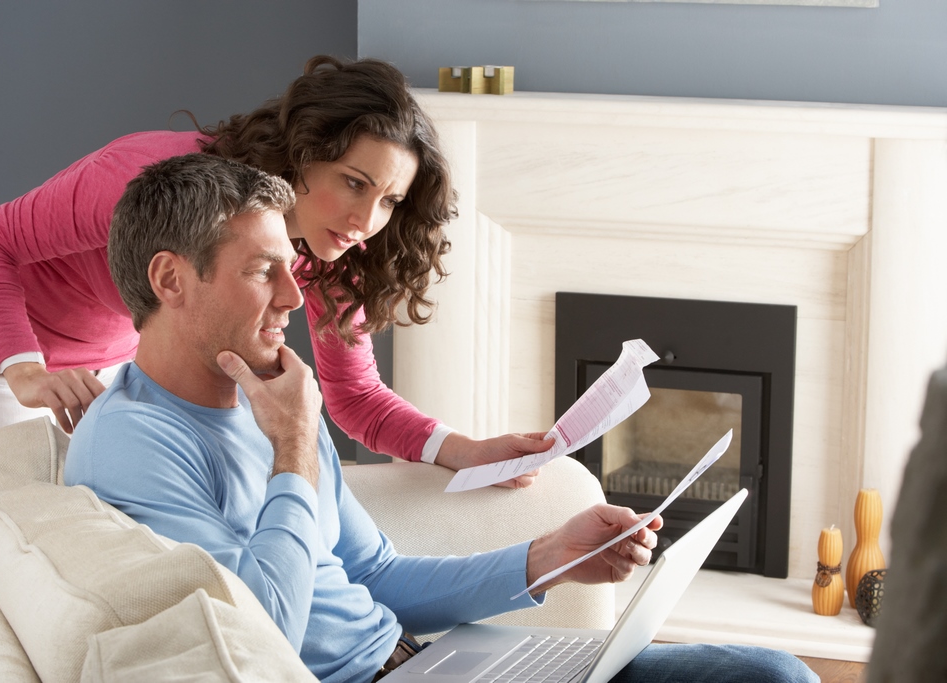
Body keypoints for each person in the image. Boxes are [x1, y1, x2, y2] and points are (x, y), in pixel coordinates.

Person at [64, 154, 818, 683]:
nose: (295, 301)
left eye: (290, 270)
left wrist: (550, 556)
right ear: (171, 279)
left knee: (769, 672)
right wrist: (294, 448)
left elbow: (376, 573)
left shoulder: (269, 395)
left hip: (425, 662)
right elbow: (258, 637)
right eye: (264, 271)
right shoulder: (134, 442)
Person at [0, 55, 551, 479]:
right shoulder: (147, 183)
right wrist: (24, 369)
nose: (366, 219)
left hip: (107, 355)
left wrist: (462, 451)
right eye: (354, 183)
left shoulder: (329, 248)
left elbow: (356, 398)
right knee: (19, 534)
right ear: (304, 152)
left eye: (388, 200)